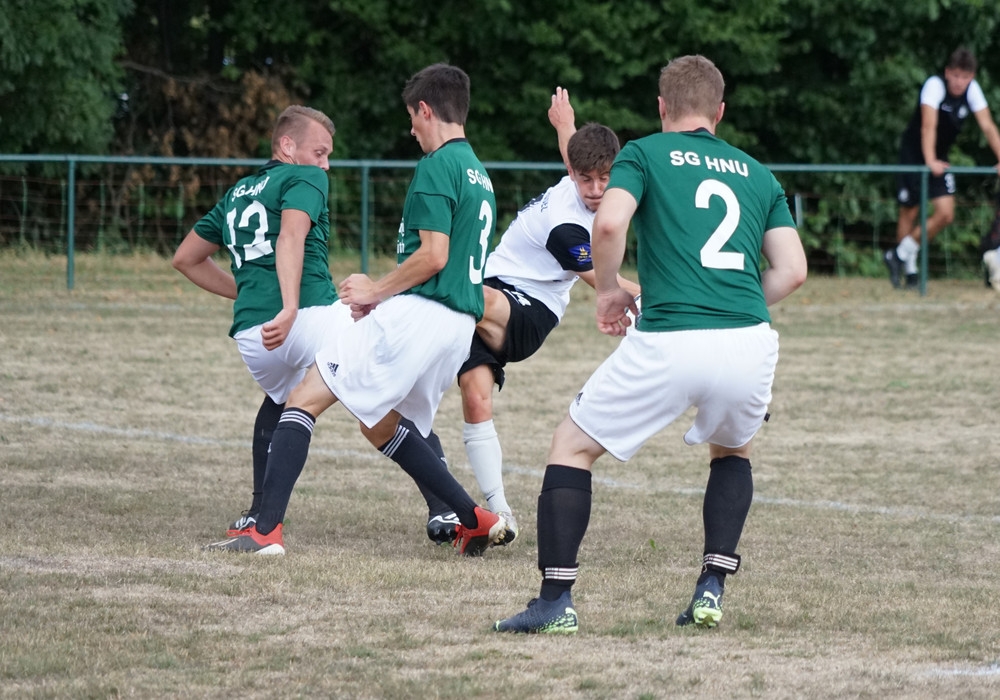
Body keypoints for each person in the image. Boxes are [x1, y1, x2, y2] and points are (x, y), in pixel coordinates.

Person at [493, 55, 807, 634]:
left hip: (672, 336)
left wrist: (611, 290)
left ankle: (555, 602)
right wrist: (732, 299)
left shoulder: (643, 153)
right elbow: (793, 271)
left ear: (662, 106)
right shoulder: (758, 174)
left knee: (571, 446)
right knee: (732, 452)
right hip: (749, 339)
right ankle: (711, 587)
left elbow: (610, 224)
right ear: (719, 111)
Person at [205, 63, 507, 557]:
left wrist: (376, 291)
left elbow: (434, 256)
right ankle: (473, 519)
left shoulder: (437, 164)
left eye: (412, 118)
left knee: (303, 398)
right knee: (379, 423)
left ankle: (264, 532)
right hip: (457, 329)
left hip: (421, 316)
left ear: (425, 110)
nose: (412, 130)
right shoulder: (479, 172)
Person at [412, 88, 640, 548]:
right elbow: (574, 151)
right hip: (488, 294)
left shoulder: (568, 228)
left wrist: (663, 299)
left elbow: (607, 284)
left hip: (529, 311)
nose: (596, 190)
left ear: (614, 171)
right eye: (585, 180)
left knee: (452, 290)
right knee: (475, 397)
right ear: (571, 172)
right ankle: (500, 514)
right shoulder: (571, 198)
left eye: (604, 179)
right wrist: (563, 124)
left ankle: (397, 313)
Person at [172, 105, 353, 536]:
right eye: (320, 152)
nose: (325, 165)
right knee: (384, 378)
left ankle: (259, 512)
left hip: (254, 337)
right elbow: (291, 237)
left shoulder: (238, 192)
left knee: (281, 401)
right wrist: (288, 306)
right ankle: (447, 507)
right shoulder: (305, 178)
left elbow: (185, 259)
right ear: (287, 146)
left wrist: (251, 293)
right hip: (304, 317)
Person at [884, 47, 1000, 289]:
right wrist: (929, 161)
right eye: (955, 75)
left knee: (946, 213)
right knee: (909, 211)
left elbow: (988, 127)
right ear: (947, 73)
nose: (959, 82)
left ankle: (898, 254)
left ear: (972, 77)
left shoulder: (973, 91)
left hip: (939, 158)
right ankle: (910, 272)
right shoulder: (934, 86)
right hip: (914, 155)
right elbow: (928, 126)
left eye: (965, 77)